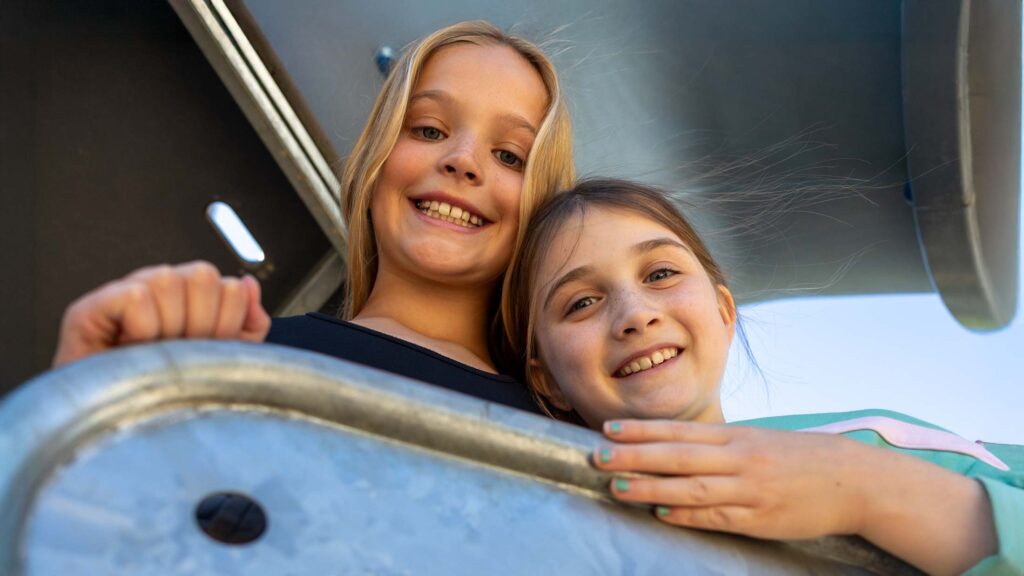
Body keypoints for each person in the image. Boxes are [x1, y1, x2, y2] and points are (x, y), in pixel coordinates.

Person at [501, 178, 1023, 576]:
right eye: (582, 302)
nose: (636, 314)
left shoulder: (870, 441)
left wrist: (862, 491)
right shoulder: (516, 526)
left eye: (661, 274)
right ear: (543, 376)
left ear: (724, 312)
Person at [50, 21, 574, 413]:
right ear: (376, 159)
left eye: (510, 156)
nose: (462, 160)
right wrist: (84, 393)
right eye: (429, 130)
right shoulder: (221, 357)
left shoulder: (576, 432)